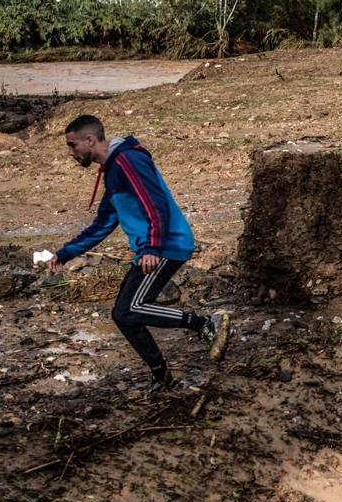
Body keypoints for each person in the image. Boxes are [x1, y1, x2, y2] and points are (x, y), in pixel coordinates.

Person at [48, 115, 229, 395]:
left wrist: (152, 247)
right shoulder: (113, 171)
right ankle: (163, 377)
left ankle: (204, 323)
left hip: (166, 246)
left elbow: (155, 203)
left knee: (130, 309)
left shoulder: (128, 160)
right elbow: (103, 224)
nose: (71, 153)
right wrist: (64, 253)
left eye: (73, 146)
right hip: (152, 249)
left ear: (90, 140)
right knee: (123, 315)